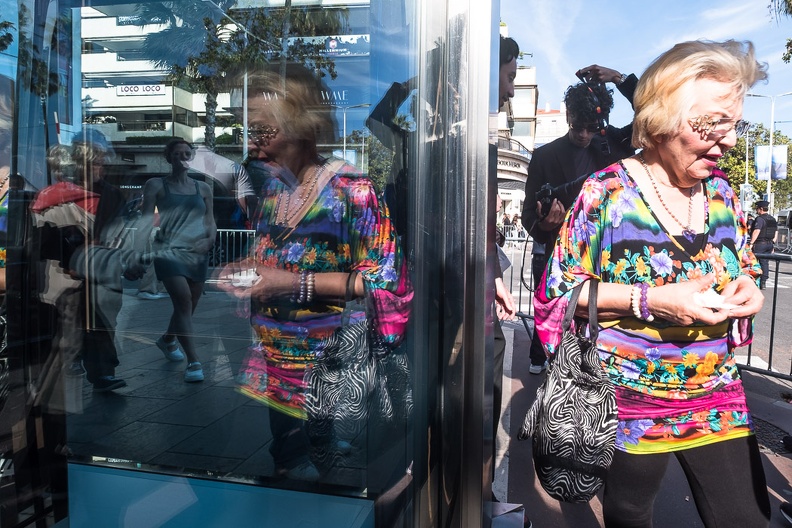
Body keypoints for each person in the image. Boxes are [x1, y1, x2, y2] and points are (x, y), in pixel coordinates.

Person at [534, 40, 770, 527]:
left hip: (717, 389)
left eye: (734, 124)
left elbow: (744, 261)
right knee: (630, 514)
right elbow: (558, 294)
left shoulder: (724, 193)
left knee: (745, 518)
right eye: (712, 124)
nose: (727, 141)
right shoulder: (607, 195)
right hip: (628, 398)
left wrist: (750, 285)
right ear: (662, 117)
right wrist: (650, 300)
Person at [219, 65, 411, 482]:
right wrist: (247, 269)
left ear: (303, 127)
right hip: (276, 367)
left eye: (263, 132)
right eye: (247, 131)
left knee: (326, 482)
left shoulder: (351, 191)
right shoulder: (273, 191)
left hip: (333, 373)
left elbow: (385, 282)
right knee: (288, 469)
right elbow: (272, 257)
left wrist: (290, 283)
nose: (251, 146)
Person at [522, 64, 638, 374]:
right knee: (557, 337)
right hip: (562, 260)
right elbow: (527, 216)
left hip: (611, 259)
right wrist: (545, 225)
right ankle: (545, 360)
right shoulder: (545, 156)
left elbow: (653, 112)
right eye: (578, 127)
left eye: (591, 127)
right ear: (568, 117)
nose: (585, 135)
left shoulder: (615, 143)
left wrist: (619, 78)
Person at [140, 139, 216, 382]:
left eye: (187, 153)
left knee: (190, 304)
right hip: (168, 250)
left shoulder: (203, 188)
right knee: (183, 300)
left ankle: (168, 339)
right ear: (169, 157)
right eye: (178, 153)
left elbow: (210, 221)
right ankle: (193, 361)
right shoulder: (155, 185)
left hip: (197, 252)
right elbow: (144, 222)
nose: (183, 157)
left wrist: (210, 240)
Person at [749, 200, 777, 289]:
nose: (756, 211)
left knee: (754, 261)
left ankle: (755, 281)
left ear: (761, 209)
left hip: (760, 244)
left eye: (757, 209)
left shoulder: (760, 219)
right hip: (769, 244)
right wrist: (773, 243)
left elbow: (757, 231)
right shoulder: (772, 219)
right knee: (765, 262)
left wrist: (751, 243)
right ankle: (763, 282)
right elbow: (776, 232)